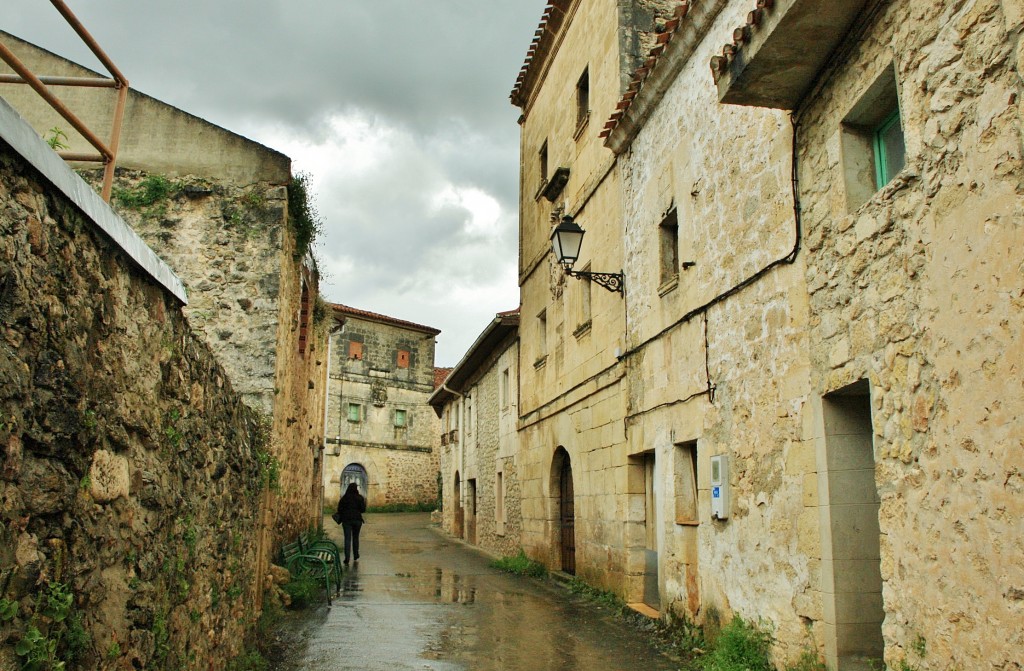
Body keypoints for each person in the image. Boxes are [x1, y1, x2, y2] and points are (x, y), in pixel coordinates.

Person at [335, 482, 366, 564]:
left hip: (346, 520)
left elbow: (339, 509)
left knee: (347, 539)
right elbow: (363, 510)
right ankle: (356, 555)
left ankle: (347, 558)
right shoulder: (360, 498)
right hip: (357, 520)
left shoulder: (344, 498)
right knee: (356, 537)